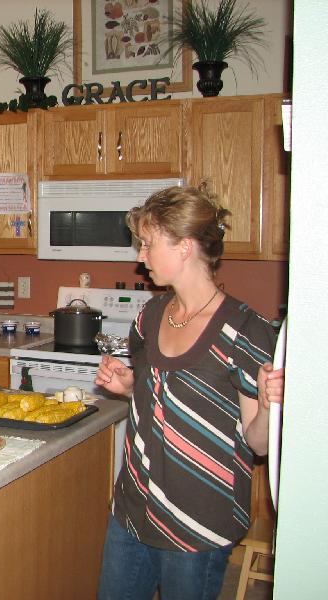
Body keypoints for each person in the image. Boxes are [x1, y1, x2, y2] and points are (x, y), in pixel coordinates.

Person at [94, 184, 284, 600]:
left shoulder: (244, 331)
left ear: (183, 247)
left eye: (148, 244)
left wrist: (270, 406)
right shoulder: (149, 316)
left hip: (198, 523)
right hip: (132, 511)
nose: (140, 256)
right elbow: (158, 393)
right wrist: (129, 386)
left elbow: (258, 443)